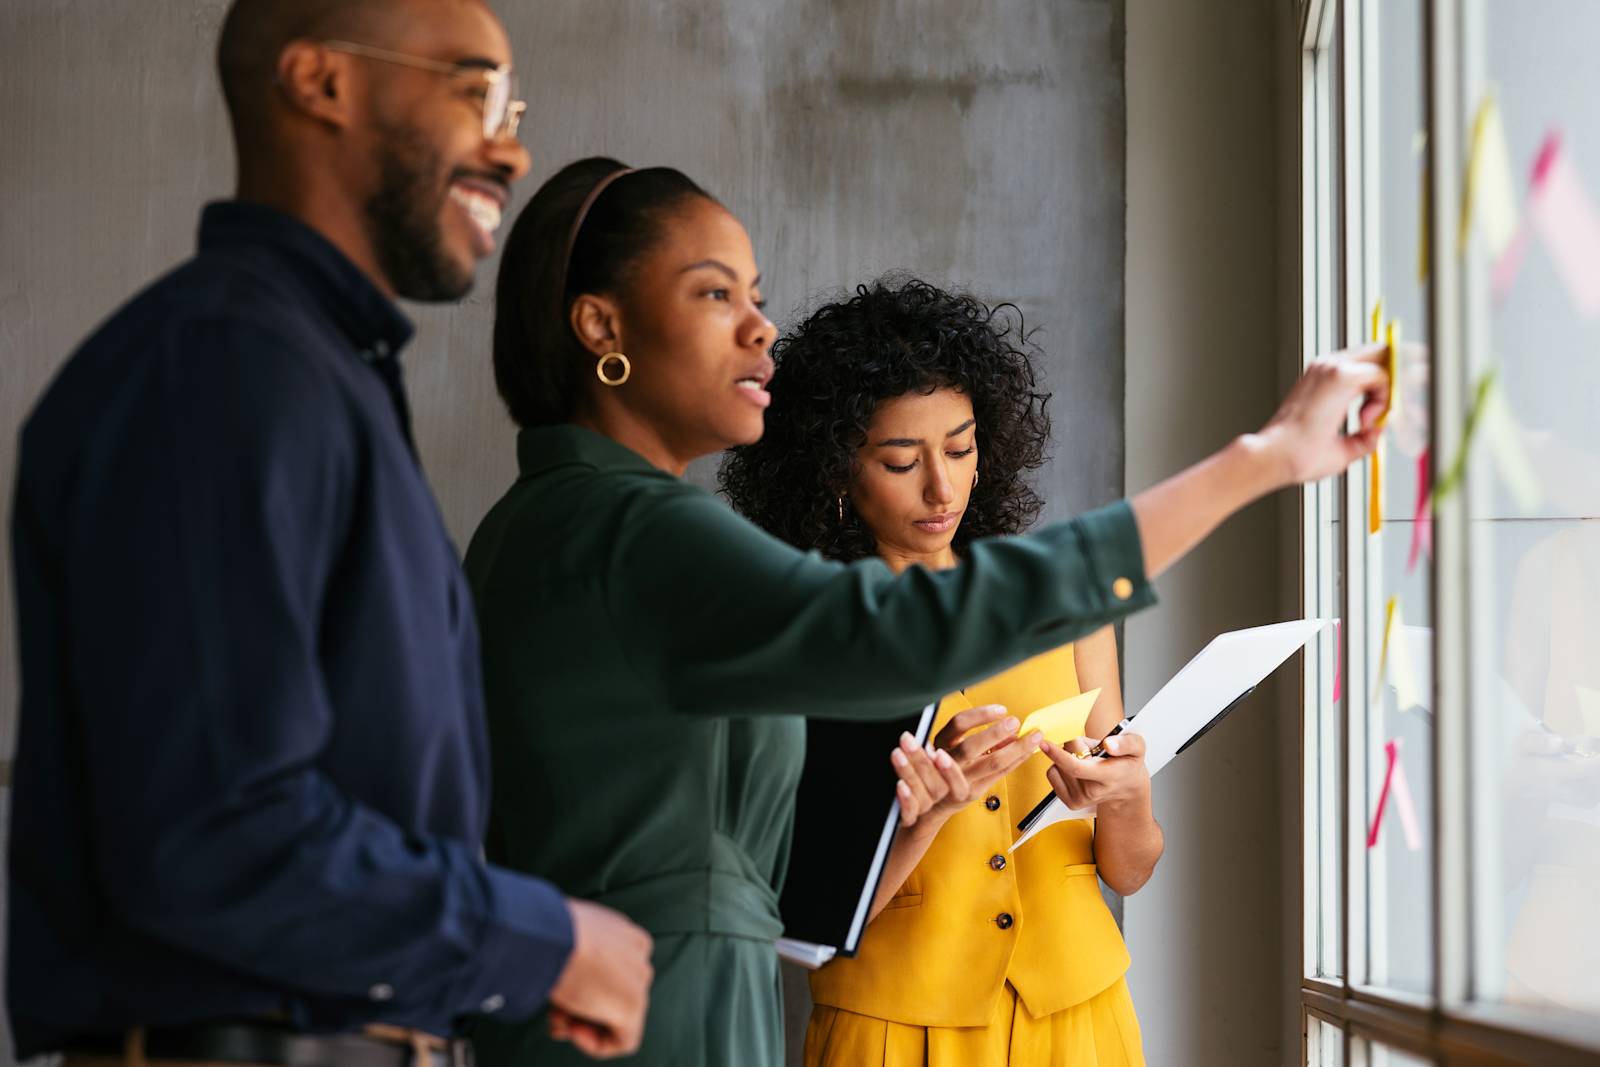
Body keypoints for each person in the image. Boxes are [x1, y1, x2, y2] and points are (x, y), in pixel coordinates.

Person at [462, 156, 1386, 1066]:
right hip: (663, 1018)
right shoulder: (641, 533)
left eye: (755, 293)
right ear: (600, 326)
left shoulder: (540, 524)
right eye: (715, 296)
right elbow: (900, 642)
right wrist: (1263, 458)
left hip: (636, 1000)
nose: (759, 330)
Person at [7, 4, 651, 1064]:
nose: (512, 144)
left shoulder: (309, 372)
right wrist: (540, 936)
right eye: (471, 89)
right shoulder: (225, 367)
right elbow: (211, 833)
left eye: (514, 105)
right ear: (320, 81)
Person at [720, 277, 1160, 1064]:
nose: (943, 486)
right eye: (900, 460)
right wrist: (921, 817)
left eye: (960, 448)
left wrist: (1127, 795)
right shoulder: (806, 638)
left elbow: (1128, 870)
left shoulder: (1064, 602)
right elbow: (800, 921)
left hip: (1080, 1018)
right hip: (894, 1031)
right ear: (836, 471)